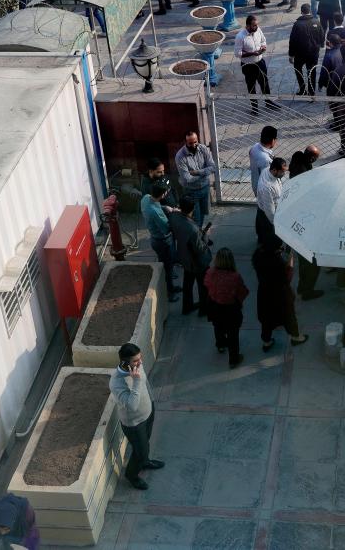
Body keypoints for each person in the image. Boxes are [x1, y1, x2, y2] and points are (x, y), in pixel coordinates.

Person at [110, 343, 164, 490]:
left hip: (148, 413)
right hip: (134, 424)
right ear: (124, 362)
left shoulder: (136, 367)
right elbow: (132, 405)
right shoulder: (116, 382)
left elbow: (145, 383)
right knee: (140, 451)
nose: (140, 362)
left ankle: (145, 461)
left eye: (140, 358)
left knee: (145, 444)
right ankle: (132, 475)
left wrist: (152, 403)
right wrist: (136, 381)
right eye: (135, 360)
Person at [254, 234, 309, 351]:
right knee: (289, 315)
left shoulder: (257, 256)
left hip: (264, 293)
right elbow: (286, 278)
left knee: (266, 319)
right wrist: (290, 263)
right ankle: (296, 337)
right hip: (280, 293)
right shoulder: (276, 263)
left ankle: (266, 341)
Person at [167, 197, 211, 316]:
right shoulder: (192, 229)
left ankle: (187, 306)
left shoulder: (174, 217)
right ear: (192, 209)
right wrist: (206, 237)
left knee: (188, 283)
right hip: (197, 262)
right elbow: (200, 248)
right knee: (203, 286)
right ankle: (204, 309)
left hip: (184, 257)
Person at [141, 183, 181, 300]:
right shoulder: (155, 212)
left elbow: (156, 205)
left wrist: (166, 208)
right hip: (163, 241)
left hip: (156, 239)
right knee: (167, 269)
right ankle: (169, 293)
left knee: (166, 265)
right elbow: (167, 228)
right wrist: (176, 216)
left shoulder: (146, 198)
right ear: (162, 194)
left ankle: (171, 288)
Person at [174, 130, 215, 228]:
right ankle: (197, 238)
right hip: (191, 191)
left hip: (205, 188)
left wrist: (197, 172)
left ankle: (199, 235)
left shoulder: (203, 149)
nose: (194, 145)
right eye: (190, 143)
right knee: (196, 218)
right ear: (185, 142)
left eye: (195, 142)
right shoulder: (180, 156)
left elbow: (213, 167)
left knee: (203, 213)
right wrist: (205, 172)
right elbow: (187, 178)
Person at [235, 15, 271, 115]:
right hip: (248, 65)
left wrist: (263, 47)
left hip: (260, 62)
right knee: (251, 86)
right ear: (248, 26)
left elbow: (263, 40)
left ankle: (268, 102)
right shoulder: (240, 36)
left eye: (257, 25)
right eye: (254, 25)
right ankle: (254, 108)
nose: (256, 27)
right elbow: (237, 53)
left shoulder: (258, 30)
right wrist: (252, 53)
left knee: (264, 82)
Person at [287, 6, 324, 95]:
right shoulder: (316, 22)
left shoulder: (297, 24)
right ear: (310, 11)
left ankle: (303, 89)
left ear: (301, 12)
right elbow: (322, 36)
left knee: (298, 69)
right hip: (313, 53)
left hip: (300, 54)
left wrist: (291, 55)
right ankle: (311, 92)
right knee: (312, 71)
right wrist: (320, 45)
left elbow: (292, 40)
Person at [255, 156, 287, 246]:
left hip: (263, 208)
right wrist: (276, 224)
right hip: (267, 213)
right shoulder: (266, 187)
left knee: (262, 233)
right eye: (282, 172)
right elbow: (269, 209)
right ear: (274, 170)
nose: (284, 173)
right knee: (271, 237)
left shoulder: (267, 169)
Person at [249, 126, 277, 197]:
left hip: (256, 185)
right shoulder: (265, 160)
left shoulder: (255, 147)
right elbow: (268, 180)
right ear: (273, 140)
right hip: (264, 193)